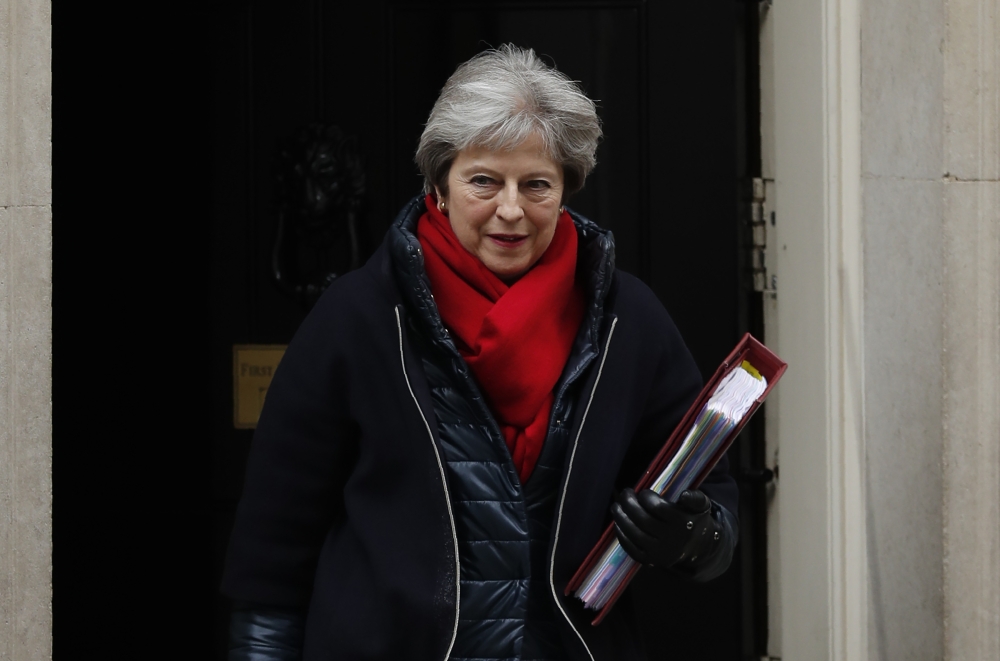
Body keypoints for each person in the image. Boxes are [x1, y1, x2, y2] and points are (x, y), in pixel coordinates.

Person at [222, 45, 739, 661]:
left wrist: (691, 534)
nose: (512, 209)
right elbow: (274, 549)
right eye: (484, 181)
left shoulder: (631, 321)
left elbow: (715, 510)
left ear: (566, 189)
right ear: (440, 183)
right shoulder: (357, 318)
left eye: (537, 185)